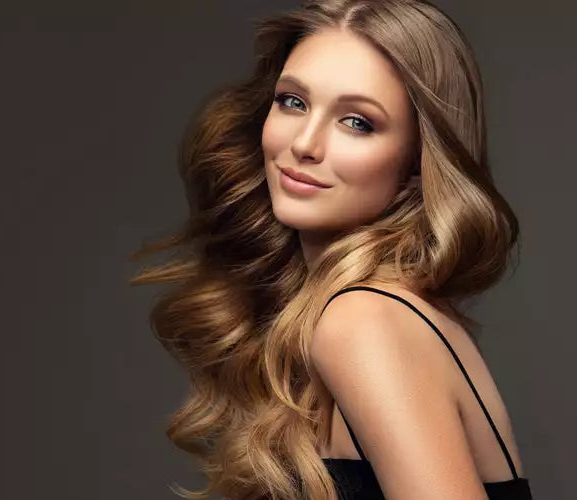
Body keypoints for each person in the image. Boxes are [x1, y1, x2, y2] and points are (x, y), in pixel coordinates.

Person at [129, 1, 533, 498]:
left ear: (416, 162)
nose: (305, 143)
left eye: (357, 122)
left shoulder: (363, 319)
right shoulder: (385, 312)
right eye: (293, 102)